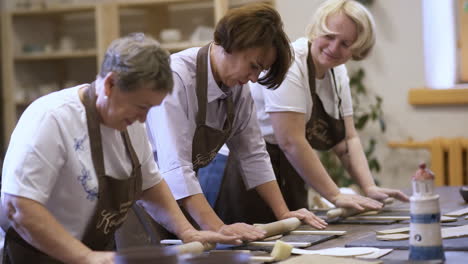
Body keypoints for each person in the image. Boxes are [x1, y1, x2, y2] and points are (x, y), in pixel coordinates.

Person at [0, 33, 240, 264]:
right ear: (110, 84)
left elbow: (151, 185)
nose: (144, 119)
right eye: (141, 106)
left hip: (96, 252)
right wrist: (84, 257)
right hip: (41, 255)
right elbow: (18, 207)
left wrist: (188, 231)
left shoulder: (129, 122)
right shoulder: (52, 119)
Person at [145, 3, 328, 242]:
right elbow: (175, 167)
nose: (253, 78)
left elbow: (253, 153)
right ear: (228, 43)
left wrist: (284, 215)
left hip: (176, 195)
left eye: (260, 71)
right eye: (253, 65)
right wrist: (219, 227)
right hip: (140, 197)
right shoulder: (176, 79)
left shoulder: (237, 88)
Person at [215, 0, 408, 224]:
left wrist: (369, 186)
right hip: (242, 166)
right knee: (252, 245)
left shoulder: (338, 74)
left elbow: (347, 140)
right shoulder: (290, 63)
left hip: (287, 164)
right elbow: (291, 141)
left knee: (297, 238)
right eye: (329, 36)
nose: (334, 48)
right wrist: (335, 195)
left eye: (346, 43)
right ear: (316, 29)